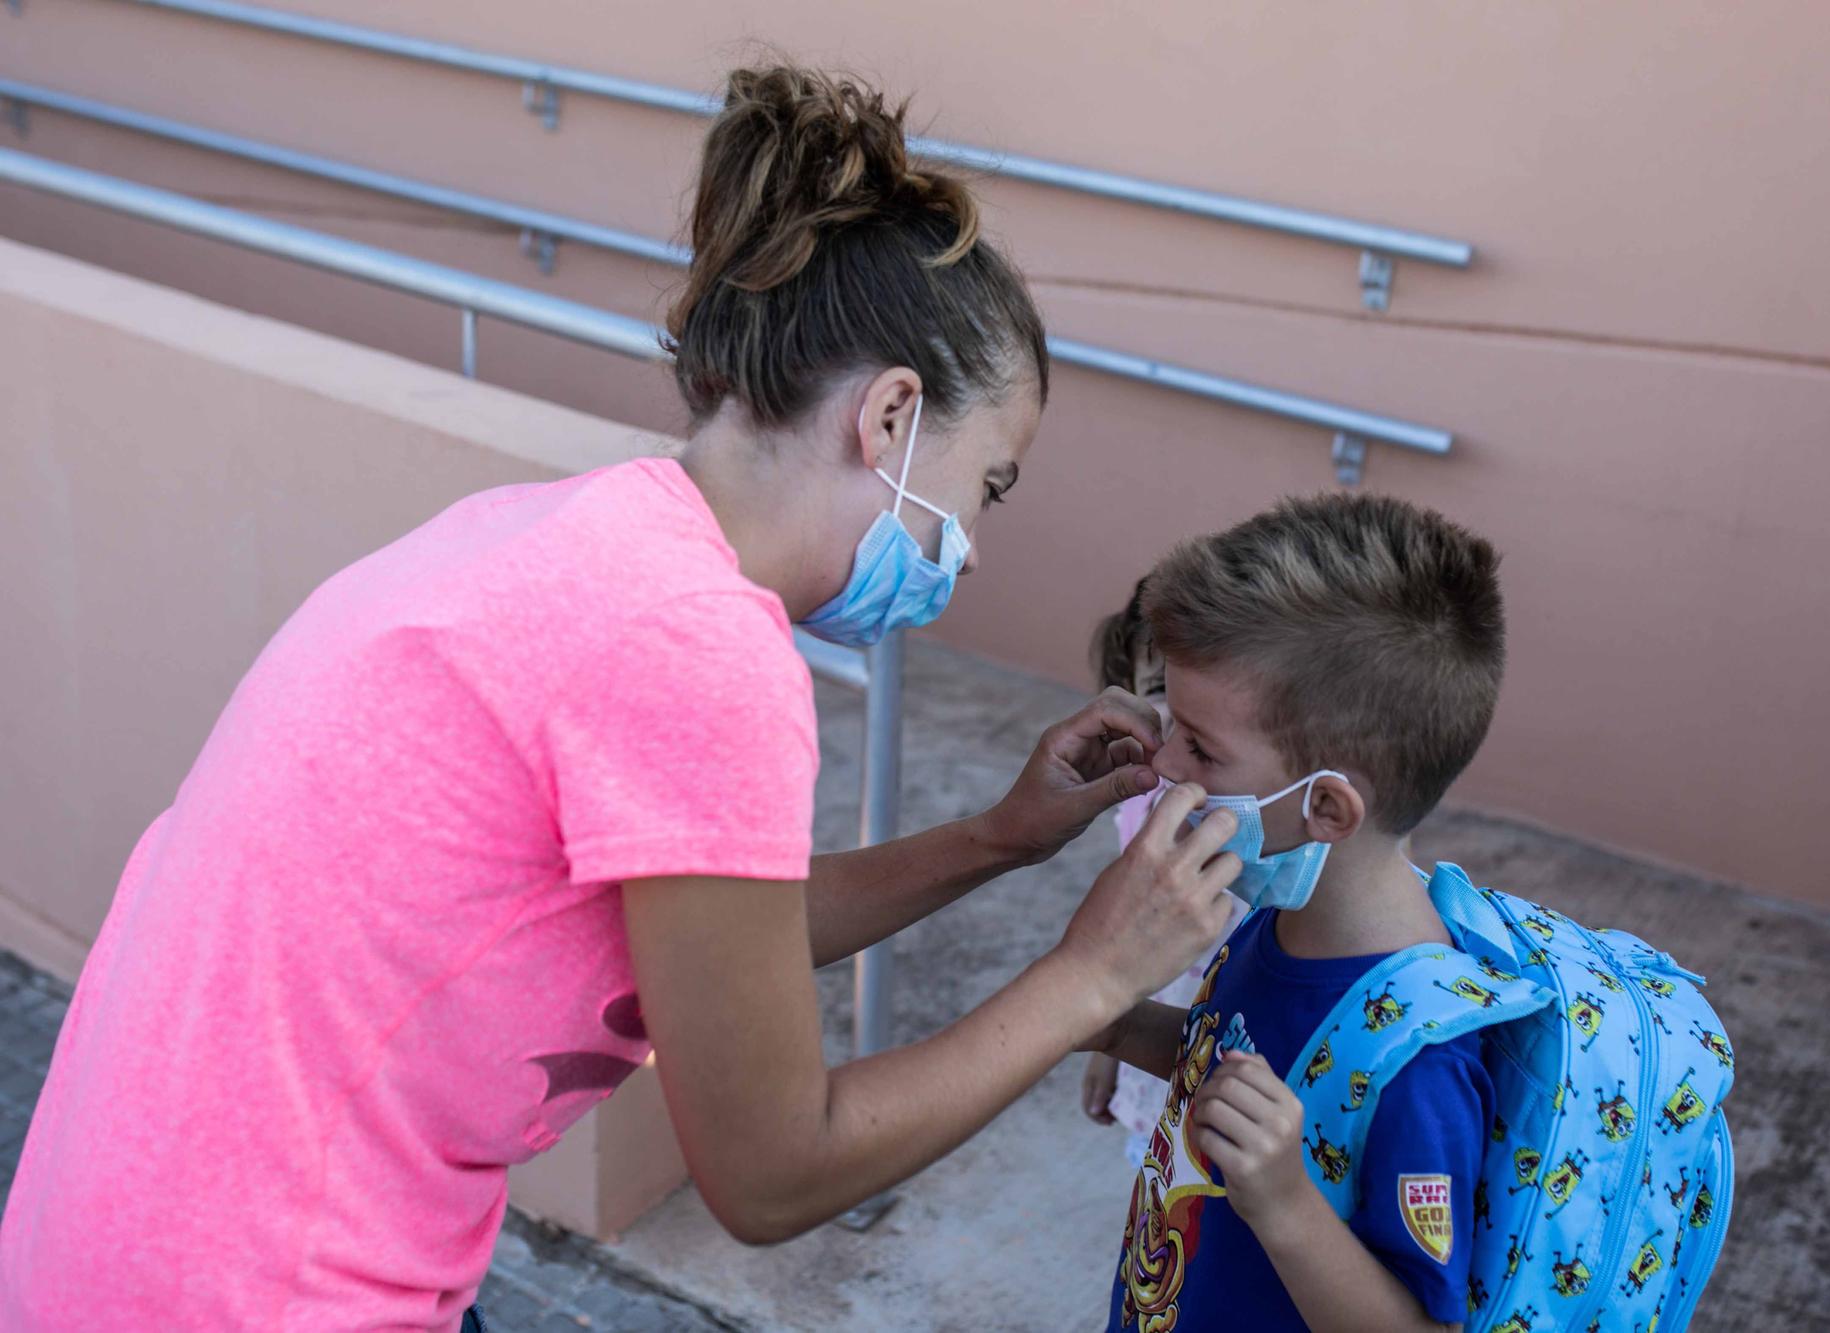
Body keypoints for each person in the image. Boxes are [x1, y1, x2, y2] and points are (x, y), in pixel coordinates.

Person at [0, 67, 1242, 1330]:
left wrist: (996, 839)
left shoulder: (562, 538)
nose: (968, 548)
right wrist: (1092, 976)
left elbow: (709, 937)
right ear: (889, 416)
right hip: (257, 1292)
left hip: (117, 1245)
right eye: (988, 484)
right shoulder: (696, 646)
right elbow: (772, 1169)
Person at [1094, 493, 1508, 1332]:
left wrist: (1285, 1202)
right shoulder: (1270, 912)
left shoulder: (1420, 1056)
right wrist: (1100, 1017)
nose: (1165, 759)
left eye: (1202, 747)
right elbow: (1230, 1062)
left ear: (1325, 809)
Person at [1079, 580, 1246, 1166]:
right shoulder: (1139, 805)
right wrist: (1111, 1045)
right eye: (1158, 689)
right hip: (1158, 1046)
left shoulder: (1267, 821)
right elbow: (1123, 940)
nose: (1179, 717)